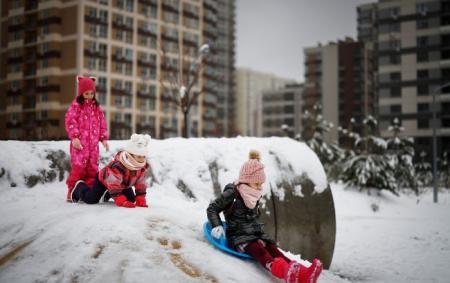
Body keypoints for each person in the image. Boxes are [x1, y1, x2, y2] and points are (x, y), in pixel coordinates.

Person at [206, 150, 322, 283]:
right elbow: (212, 208)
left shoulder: (253, 193)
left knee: (274, 250)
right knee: (260, 251)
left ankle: (303, 273)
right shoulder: (232, 192)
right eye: (257, 184)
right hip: (238, 236)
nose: (259, 187)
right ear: (246, 180)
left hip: (254, 233)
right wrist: (217, 225)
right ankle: (285, 272)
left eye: (261, 184)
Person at [71, 134, 151, 208]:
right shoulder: (118, 166)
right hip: (104, 181)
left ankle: (109, 193)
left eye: (143, 156)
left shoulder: (141, 168)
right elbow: (113, 185)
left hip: (123, 184)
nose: (142, 159)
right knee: (92, 199)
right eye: (139, 156)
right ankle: (80, 187)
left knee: (131, 200)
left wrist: (140, 198)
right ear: (130, 155)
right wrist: (121, 201)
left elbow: (141, 183)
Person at [65, 76, 109, 202]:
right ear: (81, 93)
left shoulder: (97, 108)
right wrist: (74, 137)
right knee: (78, 169)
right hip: (80, 147)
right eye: (86, 93)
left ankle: (89, 191)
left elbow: (102, 124)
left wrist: (103, 138)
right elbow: (70, 121)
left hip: (93, 148)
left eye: (91, 93)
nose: (89, 96)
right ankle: (72, 191)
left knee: (92, 170)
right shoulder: (76, 106)